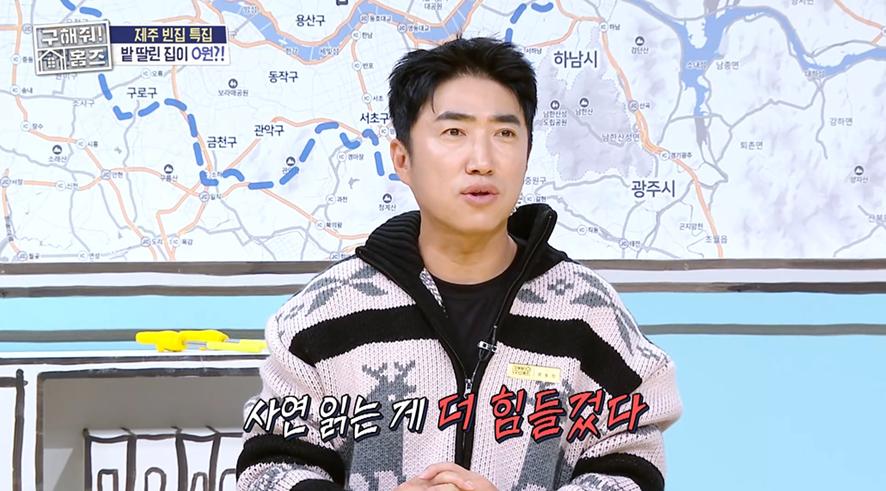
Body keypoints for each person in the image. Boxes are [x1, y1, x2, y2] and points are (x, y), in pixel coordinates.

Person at [236, 36, 681, 491]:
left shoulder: (587, 312)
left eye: (505, 133)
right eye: (454, 132)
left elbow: (631, 465)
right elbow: (268, 469)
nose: (482, 161)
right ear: (402, 159)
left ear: (527, 153)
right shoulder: (323, 314)